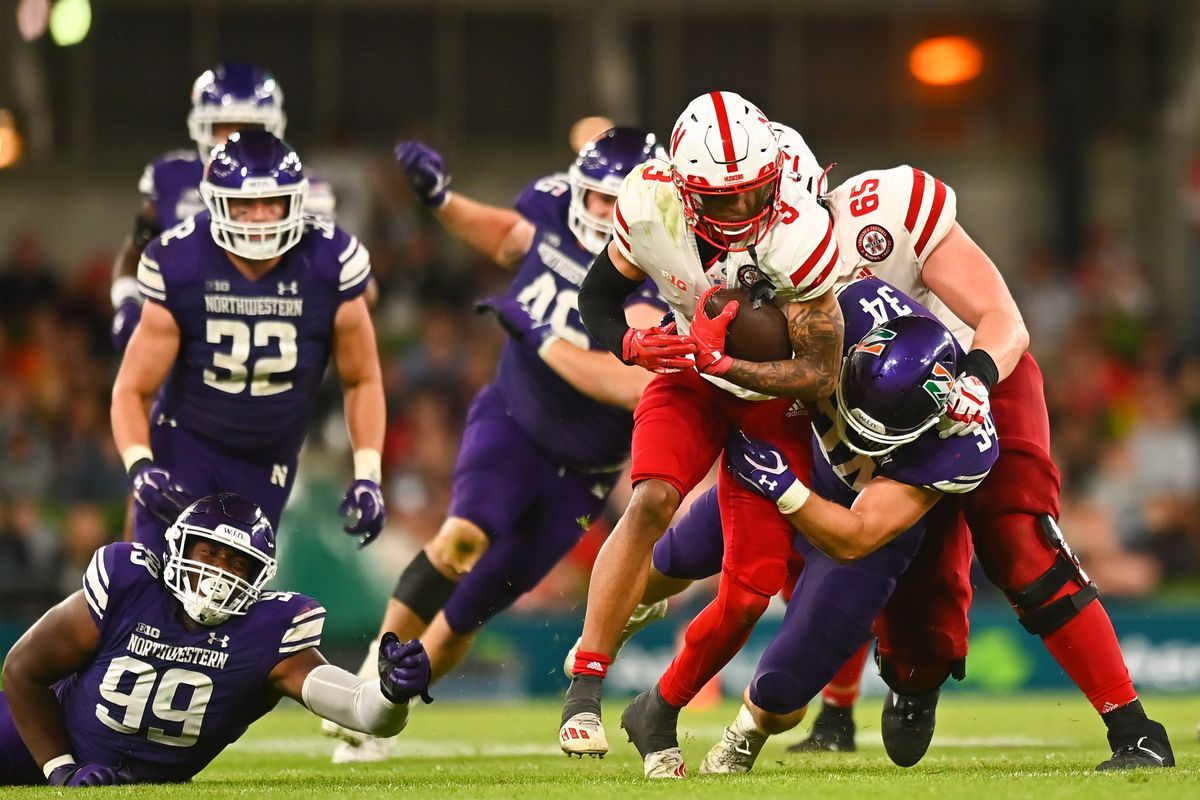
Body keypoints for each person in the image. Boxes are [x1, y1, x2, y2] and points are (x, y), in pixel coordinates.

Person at [765, 123, 1173, 769]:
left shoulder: (883, 209)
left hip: (972, 377)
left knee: (1020, 544)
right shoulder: (740, 271)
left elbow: (1002, 318)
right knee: (916, 630)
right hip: (868, 423)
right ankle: (909, 684)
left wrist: (977, 380)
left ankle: (1135, 728)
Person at [322, 127, 669, 763]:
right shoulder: (552, 207)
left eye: (614, 203)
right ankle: (368, 680)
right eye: (592, 198)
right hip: (511, 418)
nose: (598, 213)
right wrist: (443, 199)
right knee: (462, 536)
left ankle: (386, 709)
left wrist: (542, 339)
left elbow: (631, 386)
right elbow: (508, 236)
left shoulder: (662, 275)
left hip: (582, 472)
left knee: (465, 617)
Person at [560, 91, 847, 760]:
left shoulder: (801, 230)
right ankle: (584, 687)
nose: (745, 214)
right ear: (686, 193)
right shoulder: (651, 202)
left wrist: (732, 361)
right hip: (687, 373)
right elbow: (599, 295)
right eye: (726, 201)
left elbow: (820, 372)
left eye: (756, 195)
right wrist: (629, 346)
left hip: (772, 399)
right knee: (652, 497)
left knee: (750, 592)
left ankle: (656, 712)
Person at [612, 278, 994, 778]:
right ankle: (621, 620)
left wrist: (785, 489)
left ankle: (743, 736)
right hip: (803, 455)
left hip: (858, 534)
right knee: (676, 555)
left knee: (780, 696)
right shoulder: (846, 311)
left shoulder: (963, 441)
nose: (860, 433)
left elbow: (857, 537)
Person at [0, 493, 431, 786]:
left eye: (237, 562)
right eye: (208, 553)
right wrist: (61, 771)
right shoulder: (129, 586)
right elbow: (22, 671)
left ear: (259, 574)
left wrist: (392, 694)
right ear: (178, 551)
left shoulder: (267, 634)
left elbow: (362, 709)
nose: (219, 573)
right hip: (35, 737)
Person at [110, 130, 387, 556]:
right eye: (244, 205)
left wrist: (369, 473)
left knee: (234, 598)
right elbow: (132, 389)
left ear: (296, 201)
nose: (259, 217)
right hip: (187, 444)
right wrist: (141, 467)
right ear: (217, 203)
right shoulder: (181, 262)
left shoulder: (329, 263)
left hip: (267, 460)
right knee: (153, 582)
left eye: (270, 203)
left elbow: (362, 379)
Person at [110, 62, 336, 353]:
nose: (235, 139)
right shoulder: (171, 178)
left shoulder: (303, 187)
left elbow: (330, 277)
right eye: (225, 127)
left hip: (271, 339)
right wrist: (128, 302)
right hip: (180, 342)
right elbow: (134, 253)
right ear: (203, 127)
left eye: (249, 128)